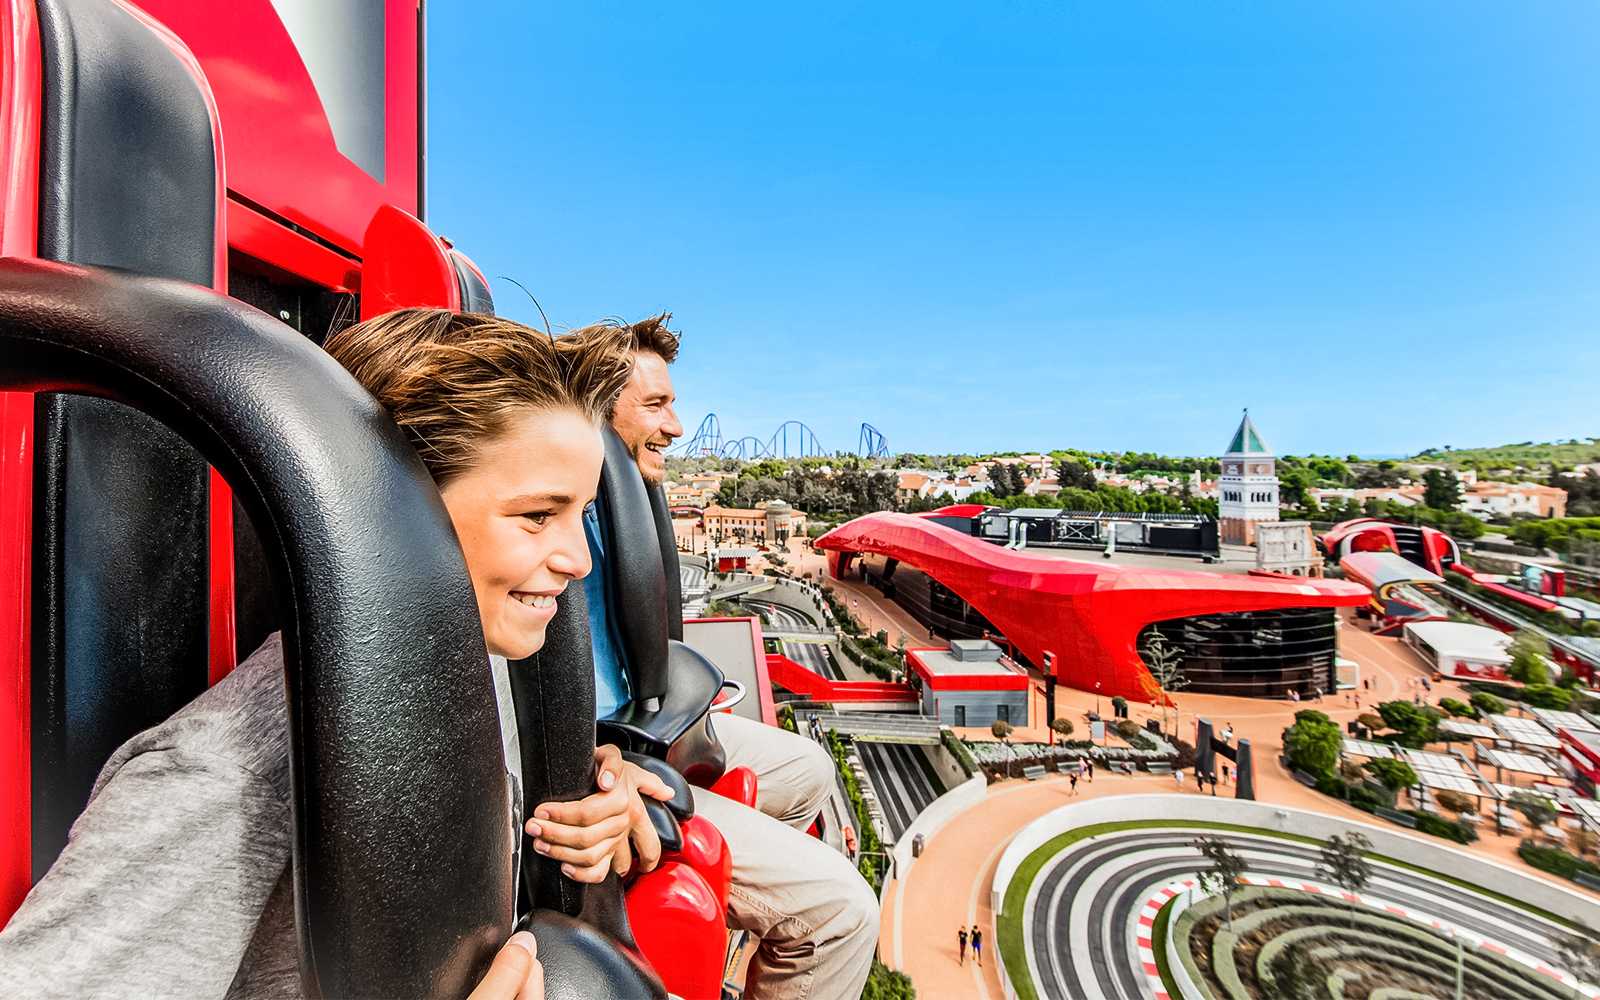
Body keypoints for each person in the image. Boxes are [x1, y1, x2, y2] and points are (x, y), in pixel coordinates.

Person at [0, 309, 646, 998]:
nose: (578, 560)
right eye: (537, 516)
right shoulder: (235, 768)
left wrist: (599, 791)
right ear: (398, 515)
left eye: (581, 515)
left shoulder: (475, 675)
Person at [562, 316, 877, 1000]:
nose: (677, 426)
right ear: (594, 404)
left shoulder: (624, 499)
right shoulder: (565, 513)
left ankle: (736, 923)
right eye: (655, 405)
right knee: (845, 913)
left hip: (647, 720)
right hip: (613, 747)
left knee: (809, 768)